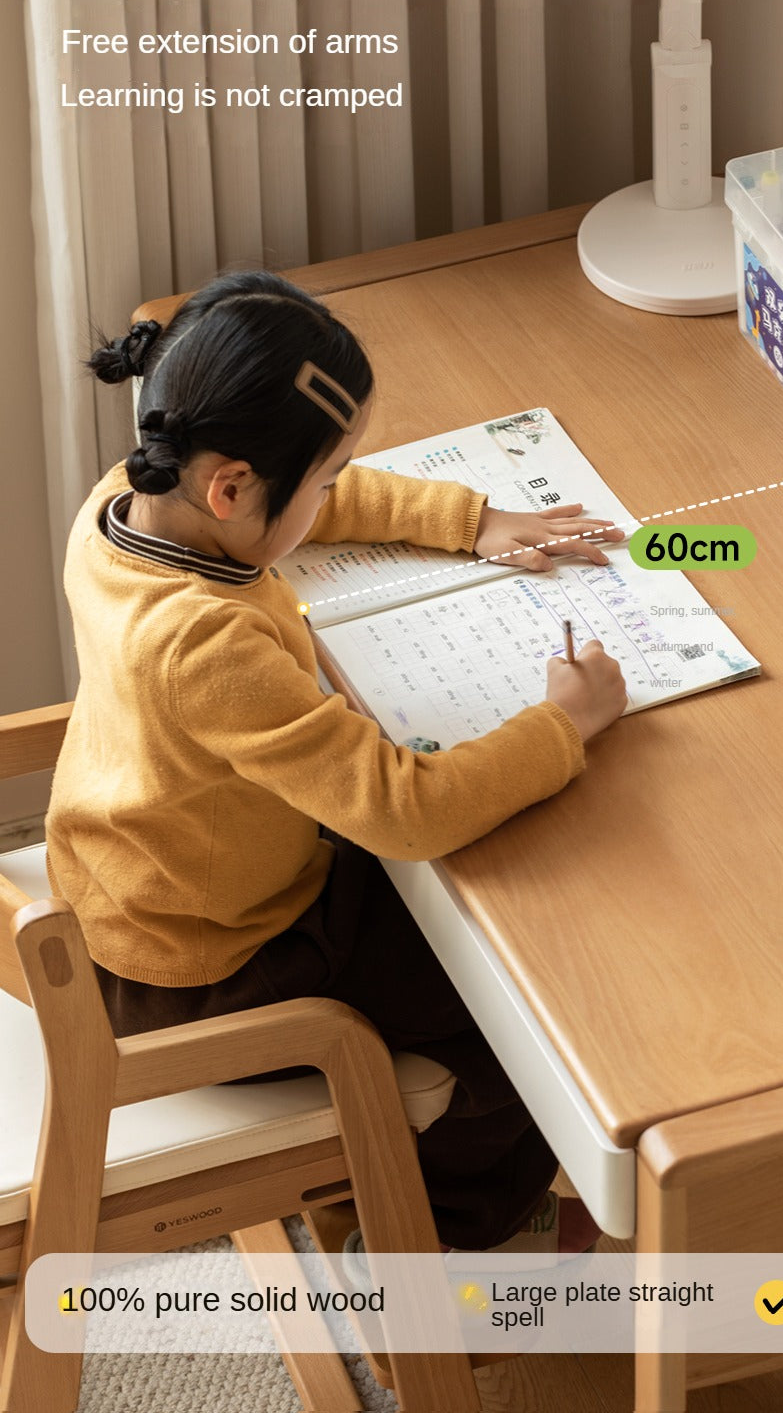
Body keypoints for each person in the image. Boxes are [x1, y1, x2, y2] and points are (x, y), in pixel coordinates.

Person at [46, 269, 627, 1253]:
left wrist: (465, 518)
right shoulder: (203, 647)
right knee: (522, 1020)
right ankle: (455, 1238)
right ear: (231, 486)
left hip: (144, 883)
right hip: (209, 965)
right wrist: (562, 726)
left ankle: (405, 1182)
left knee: (478, 924)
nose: (331, 494)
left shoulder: (131, 498)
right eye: (320, 481)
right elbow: (406, 810)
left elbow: (320, 494)